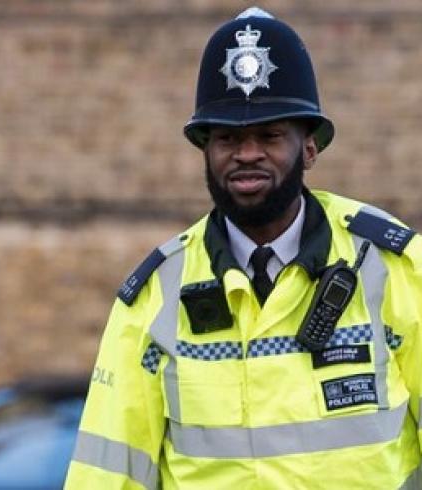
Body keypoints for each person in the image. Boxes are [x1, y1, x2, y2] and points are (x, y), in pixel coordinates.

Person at [65, 7, 422, 489]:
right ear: (205, 151)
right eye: (228, 137)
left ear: (310, 148)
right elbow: (108, 474)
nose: (247, 153)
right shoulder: (157, 296)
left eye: (270, 135)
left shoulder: (391, 267)